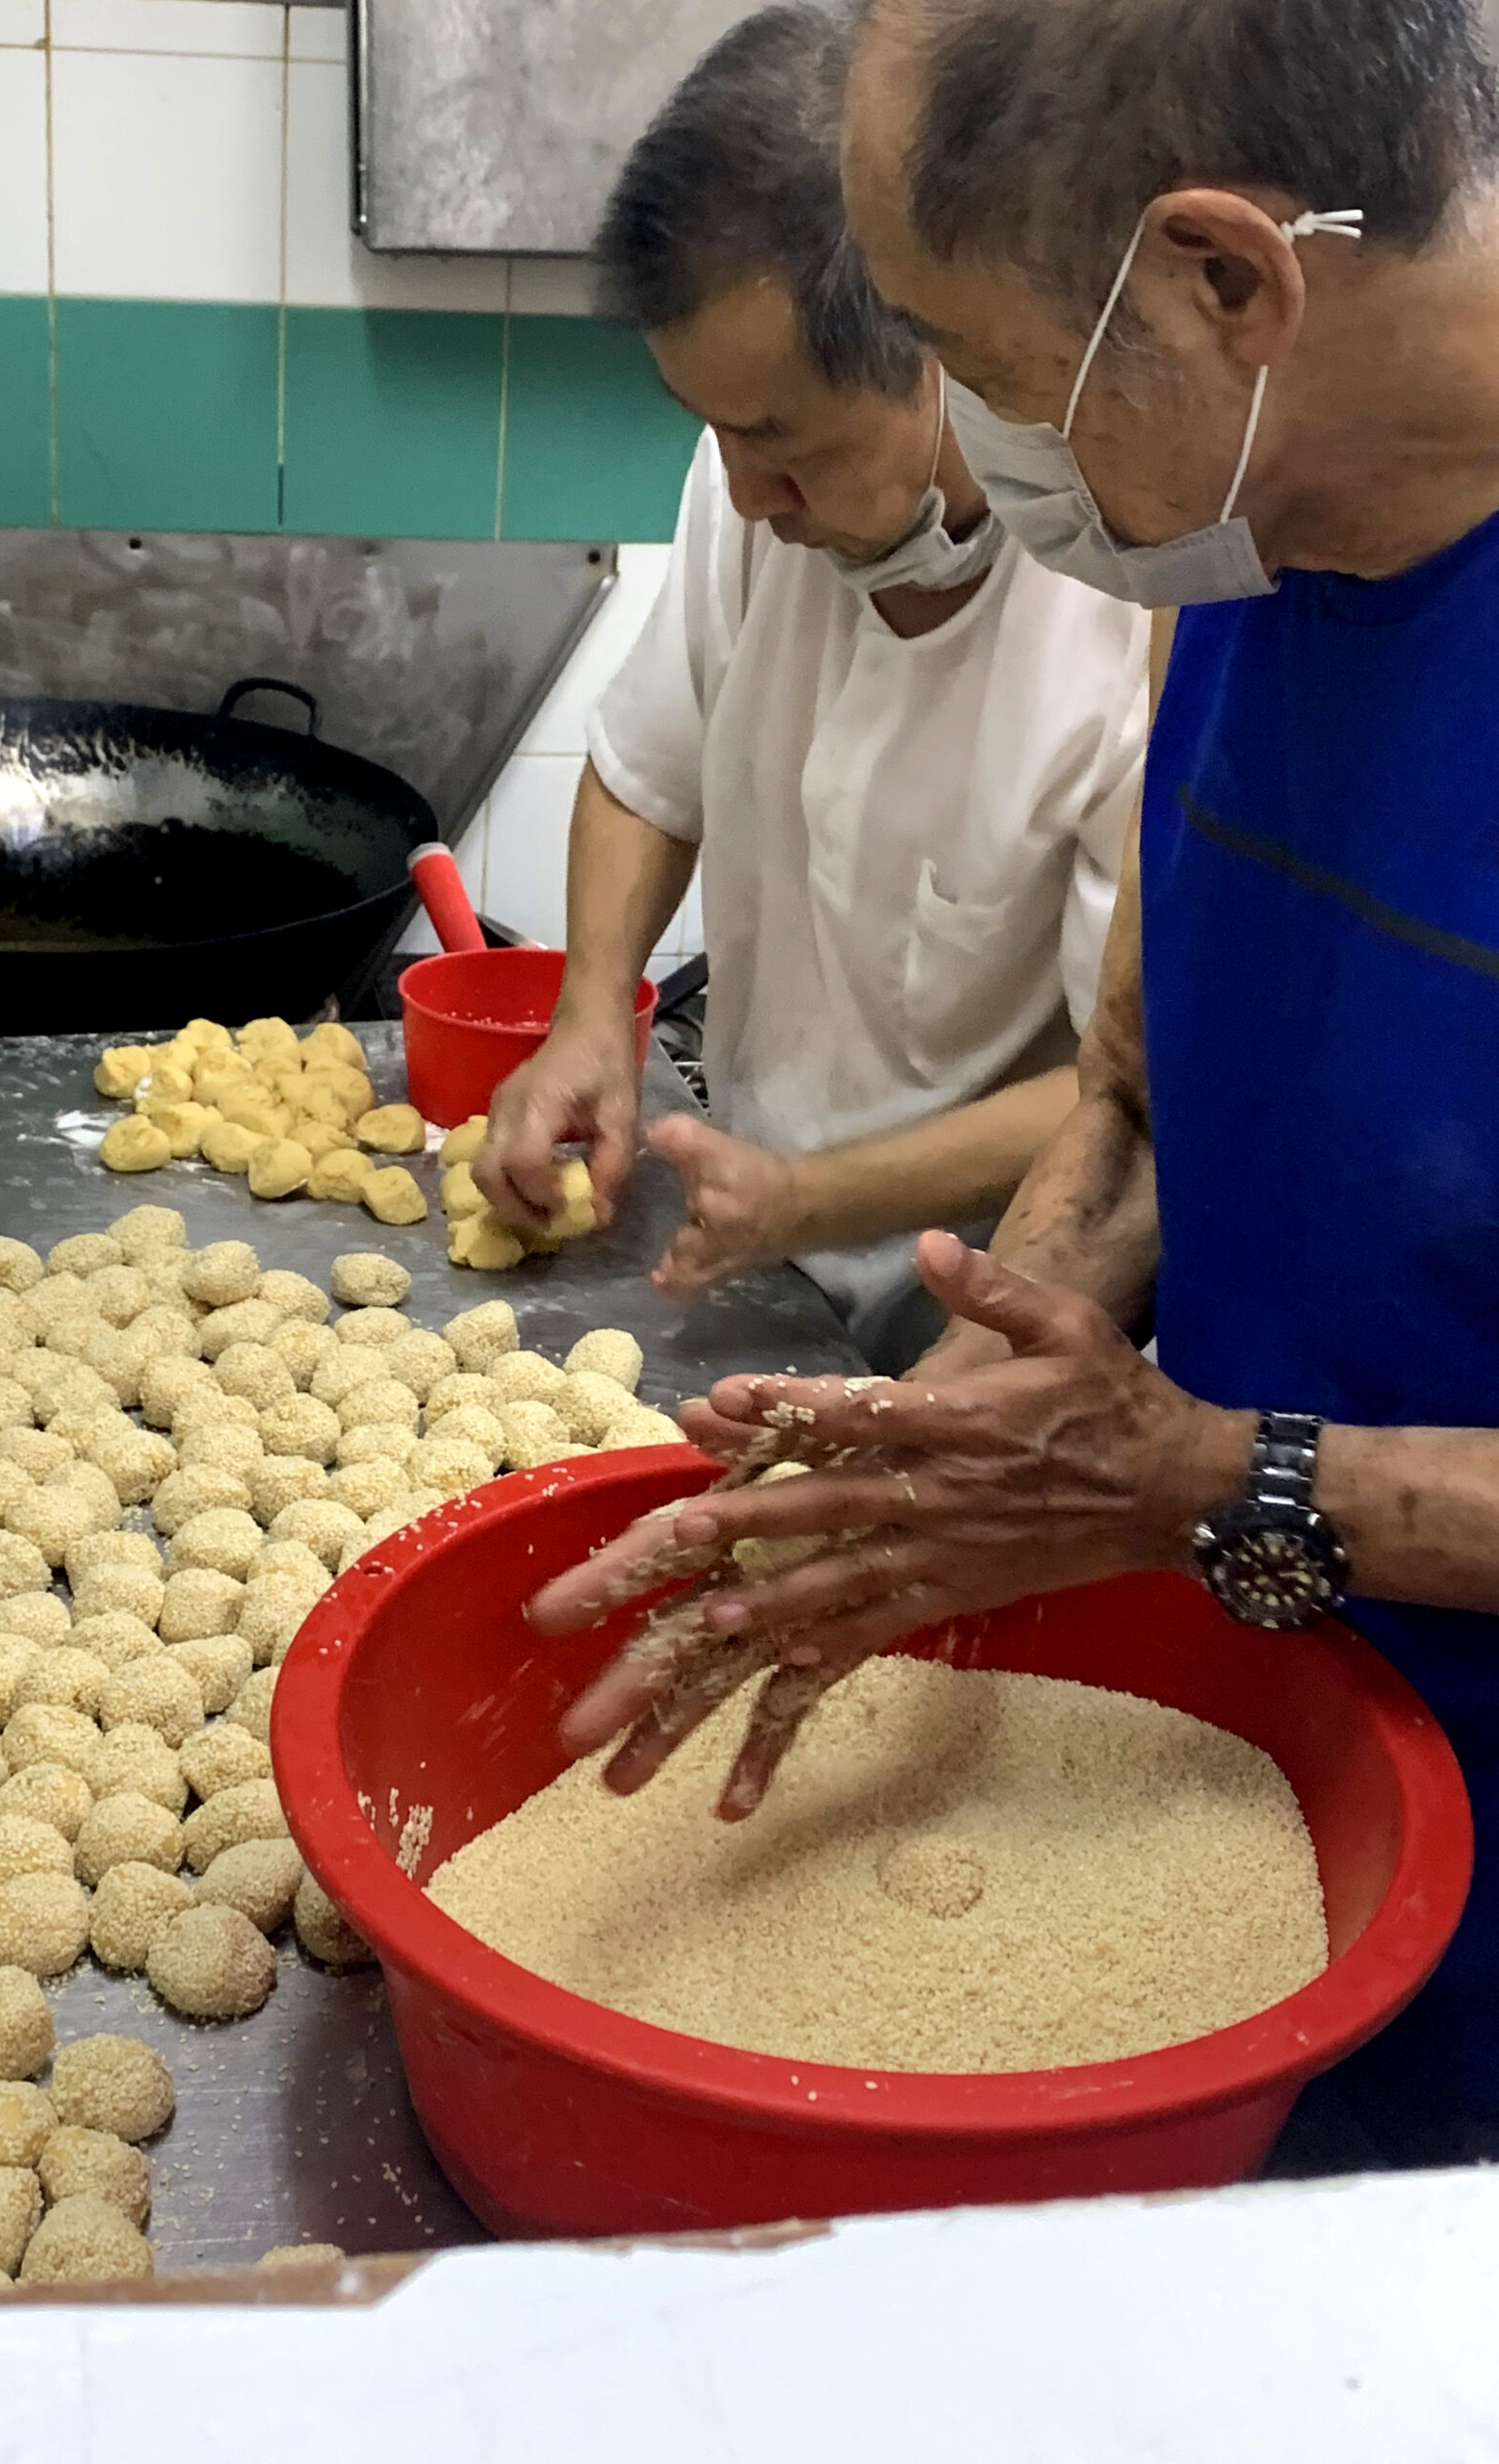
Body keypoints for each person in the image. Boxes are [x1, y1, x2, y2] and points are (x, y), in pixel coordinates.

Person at [531, 0, 1499, 2164]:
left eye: (970, 357)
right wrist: (974, 1423)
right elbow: (1143, 1095)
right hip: (1215, 1765)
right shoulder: (1235, 553)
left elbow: (1218, 1465)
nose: (962, 433)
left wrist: (1226, 1477)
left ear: (1221, 281)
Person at [473, 5, 1148, 1370]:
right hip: (756, 1244)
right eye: (712, 431)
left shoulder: (1125, 613)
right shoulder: (752, 494)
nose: (742, 493)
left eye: (784, 442)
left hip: (983, 1283)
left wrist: (807, 1199)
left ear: (951, 353)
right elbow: (642, 776)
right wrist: (595, 1013)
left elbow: (1118, 1099)